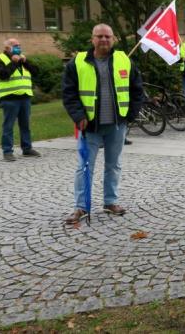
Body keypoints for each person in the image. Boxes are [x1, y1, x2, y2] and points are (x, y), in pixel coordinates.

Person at [62, 24, 144, 225]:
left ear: (113, 39)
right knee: (84, 167)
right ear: (92, 39)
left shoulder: (124, 60)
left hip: (116, 124)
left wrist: (130, 115)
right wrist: (78, 116)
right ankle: (81, 206)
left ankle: (110, 201)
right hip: (89, 125)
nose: (104, 40)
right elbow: (69, 93)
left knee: (113, 165)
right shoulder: (77, 62)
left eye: (107, 36)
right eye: (99, 36)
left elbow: (137, 89)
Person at [0, 38, 41, 161]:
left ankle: (27, 149)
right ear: (7, 48)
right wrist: (13, 62)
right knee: (8, 126)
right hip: (9, 98)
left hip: (25, 97)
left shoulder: (22, 59)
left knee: (25, 125)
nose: (18, 47)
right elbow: (3, 75)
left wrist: (25, 62)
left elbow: (36, 72)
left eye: (19, 45)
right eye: (15, 45)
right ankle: (7, 152)